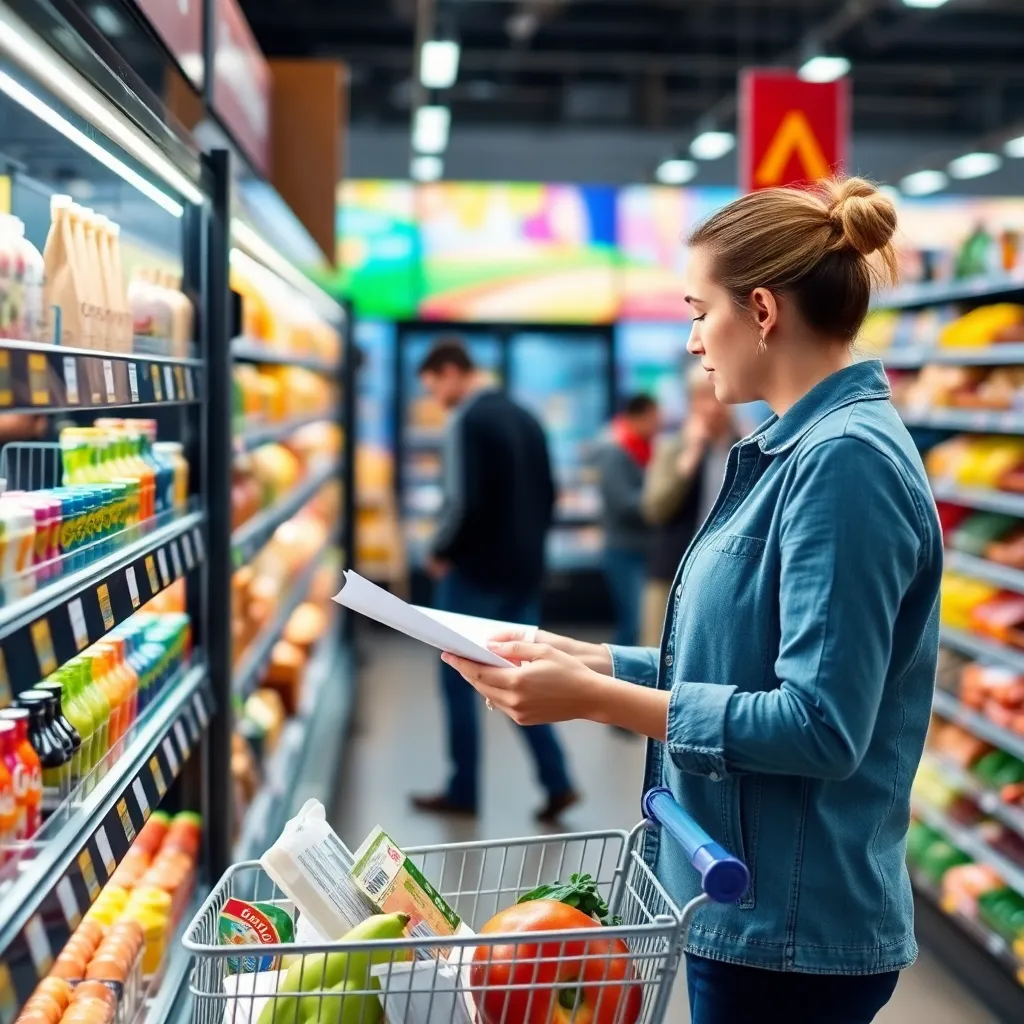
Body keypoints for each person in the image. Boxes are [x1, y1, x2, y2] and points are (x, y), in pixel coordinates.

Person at [440, 178, 941, 1024]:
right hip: (747, 906)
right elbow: (737, 667)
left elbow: (820, 727)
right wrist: (589, 659)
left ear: (761, 310)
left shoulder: (843, 465)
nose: (693, 341)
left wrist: (600, 700)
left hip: (789, 930)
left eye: (697, 311)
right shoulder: (793, 452)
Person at [410, 339, 578, 822]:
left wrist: (441, 551)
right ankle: (558, 780)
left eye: (434, 387)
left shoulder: (468, 419)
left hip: (475, 577)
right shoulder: (525, 416)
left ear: (451, 372)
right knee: (522, 674)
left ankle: (463, 789)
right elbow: (549, 494)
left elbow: (463, 502)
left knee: (458, 678)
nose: (437, 399)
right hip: (524, 574)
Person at [640, 366, 737, 648]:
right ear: (692, 402)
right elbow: (655, 509)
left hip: (725, 576)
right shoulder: (673, 447)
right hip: (672, 572)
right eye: (704, 397)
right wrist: (689, 459)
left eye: (718, 395)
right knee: (659, 656)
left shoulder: (745, 446)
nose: (714, 406)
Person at [594, 393, 660, 648]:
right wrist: (657, 503)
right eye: (653, 418)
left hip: (643, 547)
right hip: (623, 548)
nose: (657, 425)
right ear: (637, 417)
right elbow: (623, 502)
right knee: (632, 621)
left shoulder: (644, 448)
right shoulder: (616, 451)